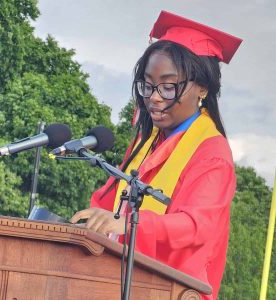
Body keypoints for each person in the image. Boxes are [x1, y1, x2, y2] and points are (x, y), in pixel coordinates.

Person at [71, 10, 242, 300]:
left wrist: (130, 223)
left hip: (171, 290)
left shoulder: (211, 152)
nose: (154, 96)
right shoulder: (147, 141)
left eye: (168, 85)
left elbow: (195, 226)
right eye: (148, 85)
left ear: (202, 88)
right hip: (118, 282)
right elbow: (109, 200)